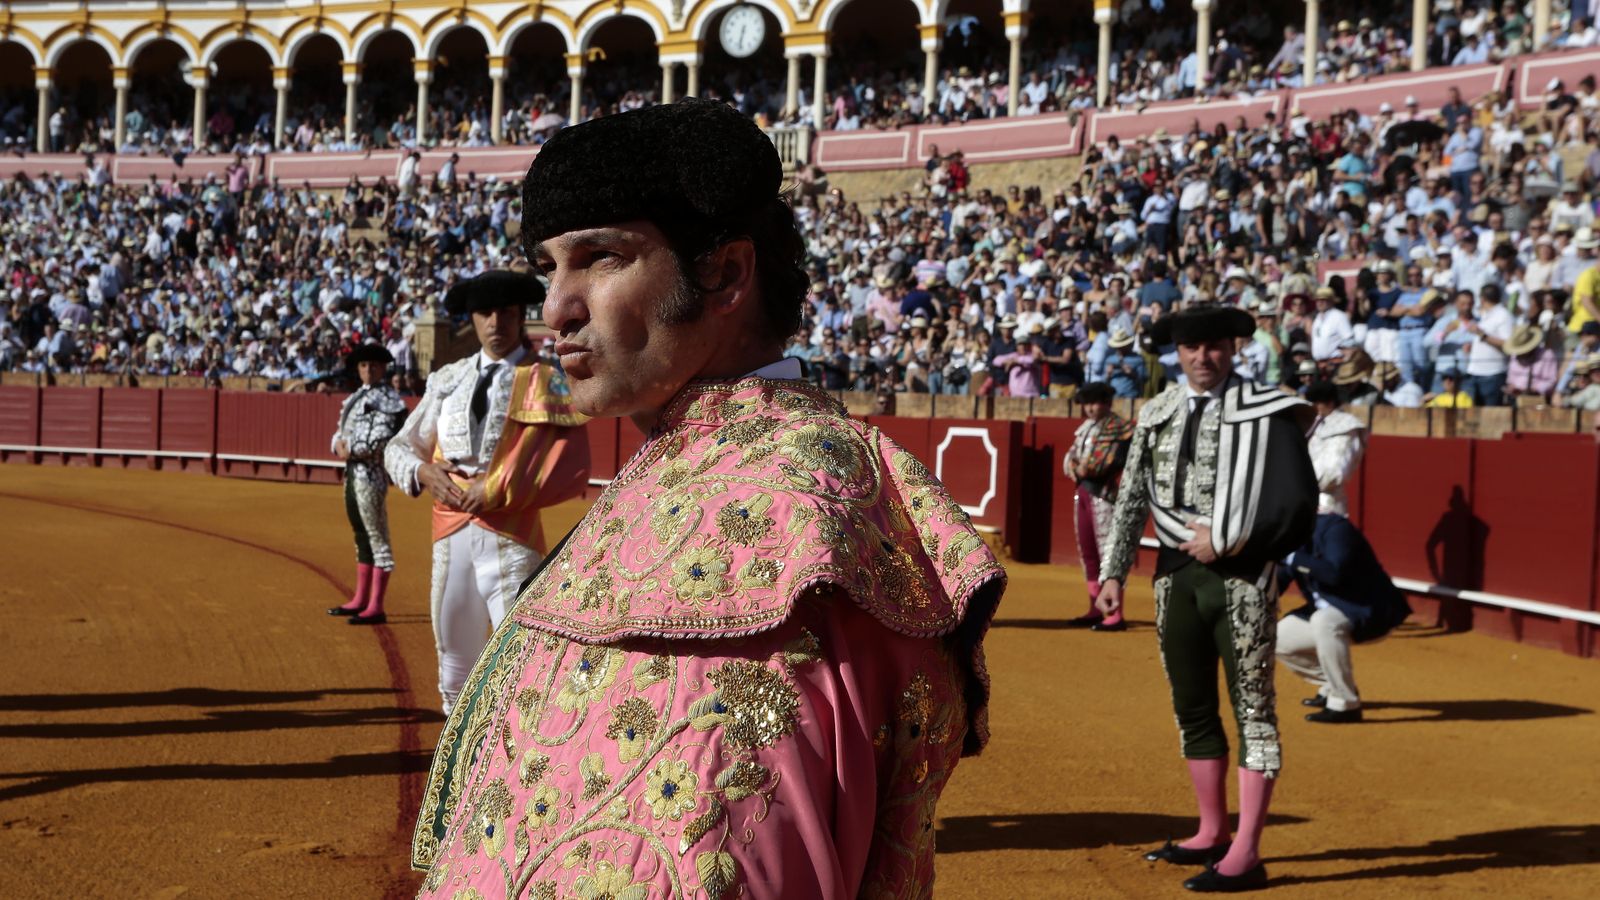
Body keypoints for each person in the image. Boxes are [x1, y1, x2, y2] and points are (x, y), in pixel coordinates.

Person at [410, 99, 1005, 898]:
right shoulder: (681, 468)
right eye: (550, 266)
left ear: (724, 273)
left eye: (601, 257)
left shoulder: (801, 509)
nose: (555, 308)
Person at [1096, 304, 1317, 893]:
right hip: (1174, 579)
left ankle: (1246, 850)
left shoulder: (1270, 410)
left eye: (1214, 346)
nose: (1203, 358)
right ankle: (1211, 829)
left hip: (1242, 578)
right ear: (1177, 352)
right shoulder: (1158, 411)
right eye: (1191, 348)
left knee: (1254, 709)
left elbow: (1297, 504)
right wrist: (1114, 570)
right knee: (1191, 703)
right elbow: (1133, 496)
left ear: (1233, 347)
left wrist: (1227, 539)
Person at [385, 270, 591, 713]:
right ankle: (458, 771)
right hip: (450, 536)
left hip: (511, 535)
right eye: (485, 312)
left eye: (505, 311)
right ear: (473, 319)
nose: (495, 321)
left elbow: (568, 463)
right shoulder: (448, 379)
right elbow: (399, 447)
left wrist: (495, 488)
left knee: (522, 663)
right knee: (454, 663)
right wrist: (423, 471)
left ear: (519, 316)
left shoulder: (546, 379)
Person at [1276, 514, 1413, 723]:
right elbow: (1278, 582)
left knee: (1324, 620)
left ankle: (1345, 704)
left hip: (1369, 611)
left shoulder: (1336, 528)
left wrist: (1290, 557)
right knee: (1278, 638)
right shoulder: (1287, 537)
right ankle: (1335, 684)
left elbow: (1333, 573)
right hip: (1329, 613)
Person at [327, 343, 409, 624]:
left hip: (371, 476)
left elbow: (381, 439)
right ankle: (361, 599)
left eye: (373, 365)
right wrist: (338, 444)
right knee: (361, 536)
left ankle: (376, 605)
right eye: (363, 365)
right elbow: (340, 432)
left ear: (383, 368)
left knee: (377, 539)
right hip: (352, 475)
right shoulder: (356, 396)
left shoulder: (388, 398)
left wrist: (350, 447)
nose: (368, 370)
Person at [1064, 381, 1135, 630]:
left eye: (1095, 402)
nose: (1091, 408)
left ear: (1107, 402)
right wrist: (1077, 467)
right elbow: (1069, 459)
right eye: (1087, 403)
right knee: (1088, 551)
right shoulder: (1086, 428)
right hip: (1083, 492)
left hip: (1105, 495)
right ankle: (1096, 606)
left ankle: (1114, 613)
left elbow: (1103, 463)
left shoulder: (1118, 428)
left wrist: (1083, 467)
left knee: (1108, 550)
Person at [1304, 381, 1366, 517]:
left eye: (1316, 403)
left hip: (1327, 505)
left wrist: (1301, 483)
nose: (1312, 408)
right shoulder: (1316, 423)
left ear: (1330, 402)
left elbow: (1335, 472)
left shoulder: (1346, 427)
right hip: (1306, 500)